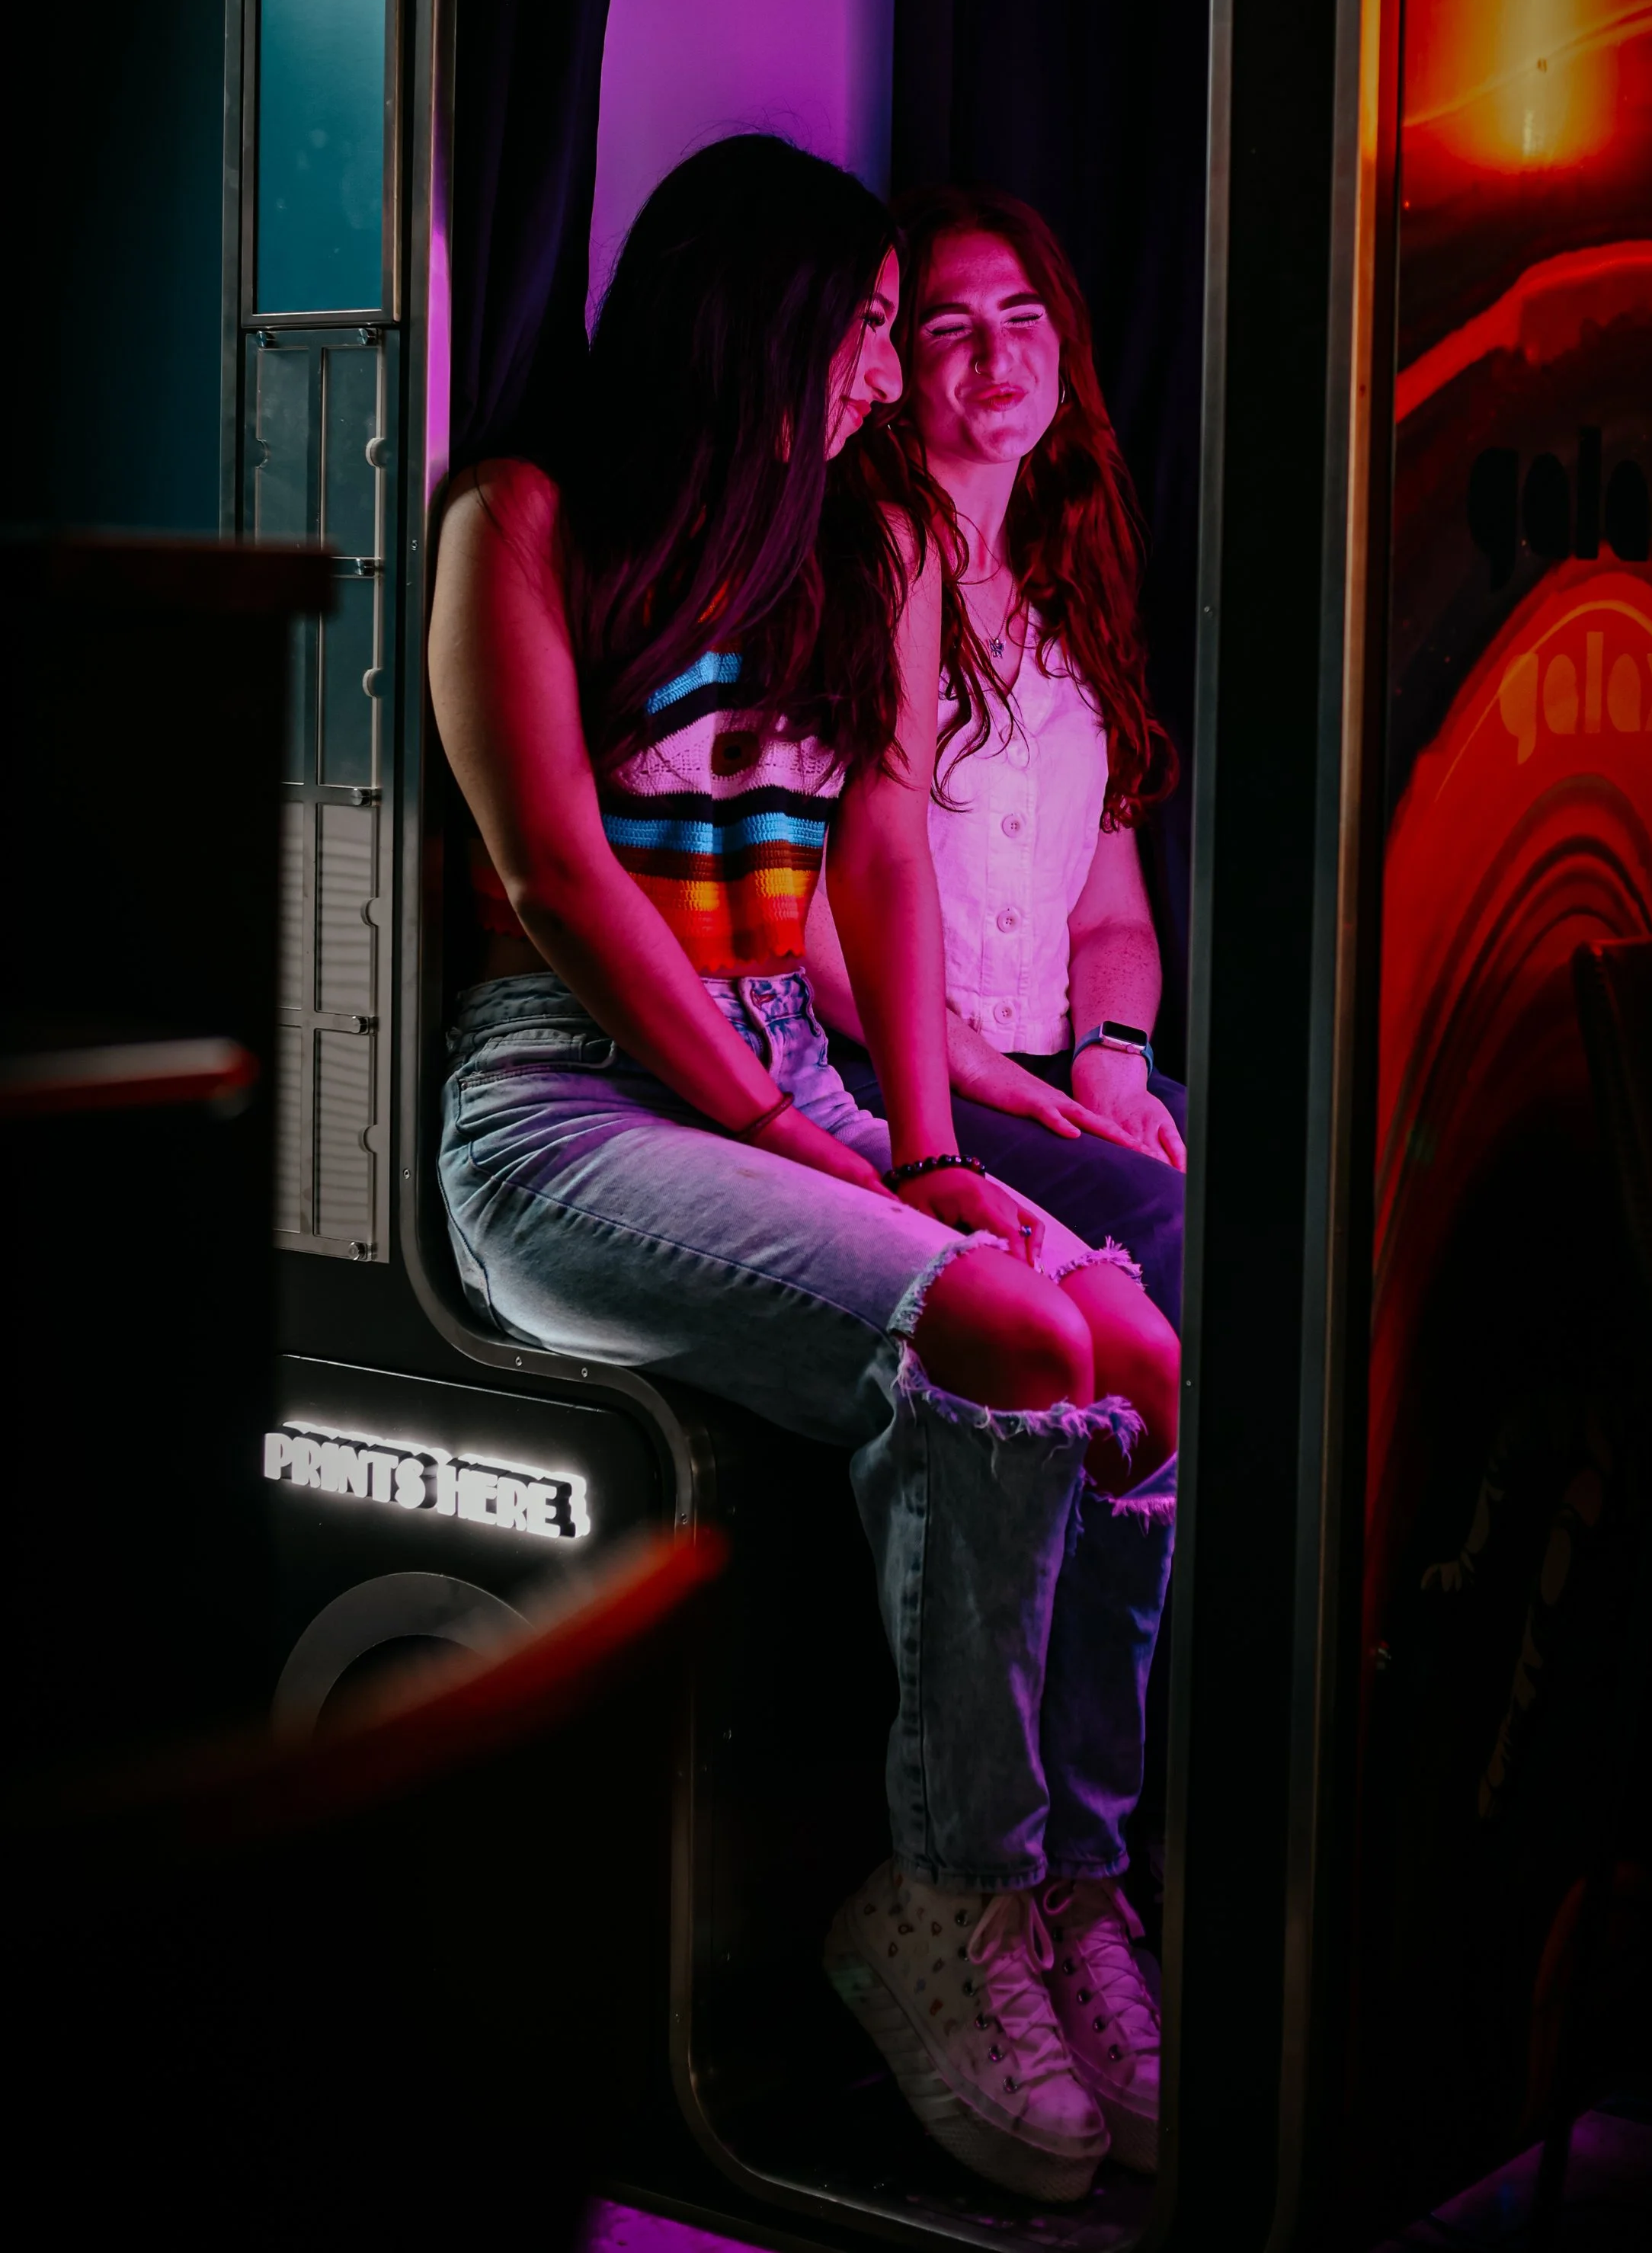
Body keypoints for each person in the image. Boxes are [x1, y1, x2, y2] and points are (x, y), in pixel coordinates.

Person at [429, 137, 1179, 2203]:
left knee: (1135, 1349)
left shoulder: (866, 545)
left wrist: (929, 1130)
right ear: (754, 316)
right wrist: (811, 1145)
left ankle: (1063, 1889)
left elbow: (879, 853)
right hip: (571, 1088)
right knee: (1005, 1321)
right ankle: (934, 1898)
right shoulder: (529, 515)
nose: (887, 371)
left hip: (778, 1056)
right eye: (865, 324)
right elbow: (555, 875)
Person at [805, 186, 1189, 1323]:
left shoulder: (1080, 591)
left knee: (1280, 1181)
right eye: (947, 326)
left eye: (1023, 317)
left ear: (1065, 350)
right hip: (894, 1061)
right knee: (1163, 1224)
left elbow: (1113, 909)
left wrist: (1116, 1051)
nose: (995, 353)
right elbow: (816, 898)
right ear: (894, 367)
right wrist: (962, 1057)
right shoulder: (861, 569)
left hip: (1050, 1064)